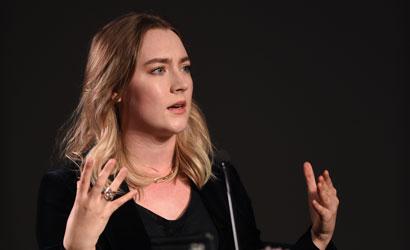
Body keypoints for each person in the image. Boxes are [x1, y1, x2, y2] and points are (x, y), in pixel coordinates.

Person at [36, 12, 339, 250]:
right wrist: (78, 247)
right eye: (158, 69)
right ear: (116, 88)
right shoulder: (71, 189)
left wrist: (318, 238)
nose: (180, 83)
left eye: (185, 67)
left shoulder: (218, 178)